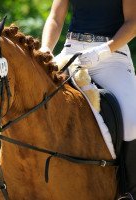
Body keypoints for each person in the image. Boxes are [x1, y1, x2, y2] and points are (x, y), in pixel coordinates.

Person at [40, 0, 136, 199]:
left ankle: (129, 189)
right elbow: (56, 18)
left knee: (132, 122)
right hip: (71, 52)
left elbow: (132, 22)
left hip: (112, 55)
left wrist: (102, 51)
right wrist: (46, 49)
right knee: (37, 100)